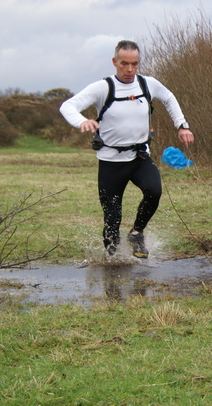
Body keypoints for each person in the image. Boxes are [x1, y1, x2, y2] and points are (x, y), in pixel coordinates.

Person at [60, 40, 194, 259]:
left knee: (154, 191)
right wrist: (81, 121)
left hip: (139, 156)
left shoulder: (146, 84)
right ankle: (112, 264)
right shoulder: (103, 87)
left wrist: (182, 125)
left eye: (135, 64)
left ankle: (136, 233)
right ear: (115, 62)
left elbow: (169, 98)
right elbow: (68, 106)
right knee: (112, 218)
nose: (130, 69)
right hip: (111, 161)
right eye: (124, 64)